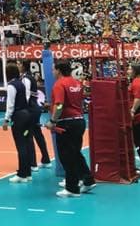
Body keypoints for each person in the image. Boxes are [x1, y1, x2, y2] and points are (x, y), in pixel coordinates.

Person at [48, 62, 94, 198]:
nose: (52, 72)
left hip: (66, 123)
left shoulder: (59, 84)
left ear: (59, 70)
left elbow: (60, 105)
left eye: (53, 69)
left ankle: (72, 188)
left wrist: (52, 121)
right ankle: (87, 179)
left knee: (66, 156)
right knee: (75, 153)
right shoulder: (76, 83)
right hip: (79, 121)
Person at [3, 63, 34, 183]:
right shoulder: (21, 83)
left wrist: (6, 119)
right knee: (26, 144)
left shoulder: (11, 86)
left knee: (20, 145)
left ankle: (22, 174)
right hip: (27, 115)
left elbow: (10, 105)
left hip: (19, 118)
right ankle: (27, 173)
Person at [21, 61, 52, 170]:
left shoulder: (26, 79)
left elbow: (27, 96)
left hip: (31, 109)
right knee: (38, 135)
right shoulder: (30, 77)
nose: (18, 66)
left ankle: (32, 164)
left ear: (23, 66)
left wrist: (23, 110)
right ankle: (46, 159)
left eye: (19, 64)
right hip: (35, 109)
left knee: (28, 135)